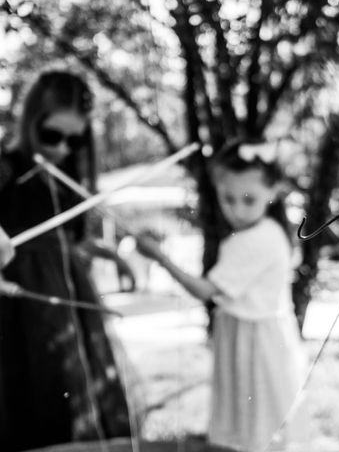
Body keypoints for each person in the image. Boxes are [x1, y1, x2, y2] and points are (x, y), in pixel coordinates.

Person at [136, 140, 307, 452]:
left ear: (273, 192)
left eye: (248, 199)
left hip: (253, 343)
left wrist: (161, 258)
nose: (237, 210)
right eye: (228, 199)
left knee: (251, 430)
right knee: (255, 427)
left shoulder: (257, 239)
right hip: (256, 338)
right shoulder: (268, 231)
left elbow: (204, 290)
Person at [0, 71, 135, 451]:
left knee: (78, 396)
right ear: (31, 122)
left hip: (71, 298)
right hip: (22, 305)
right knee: (33, 396)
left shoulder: (70, 175)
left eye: (74, 139)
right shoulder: (8, 169)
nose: (62, 147)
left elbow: (73, 241)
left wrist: (113, 256)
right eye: (52, 135)